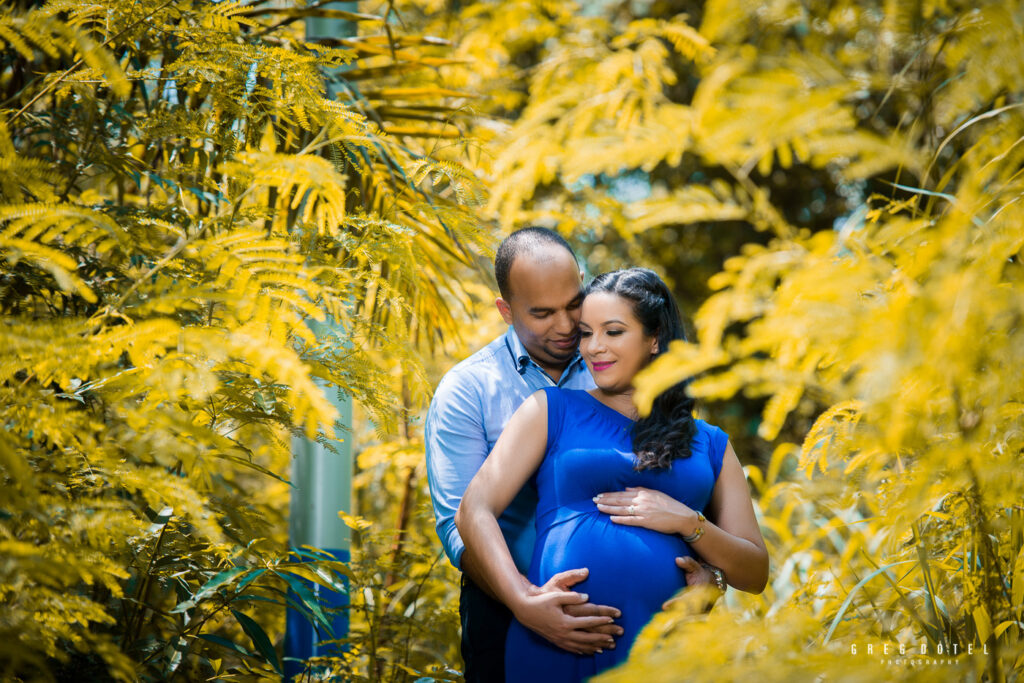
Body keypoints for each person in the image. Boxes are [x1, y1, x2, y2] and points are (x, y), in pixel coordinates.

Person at [425, 232, 716, 683]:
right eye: (542, 313)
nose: (565, 326)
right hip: (505, 606)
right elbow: (458, 522)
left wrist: (711, 574)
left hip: (651, 620)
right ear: (506, 310)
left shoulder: (621, 361)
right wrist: (526, 601)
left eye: (572, 304)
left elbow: (686, 480)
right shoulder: (469, 390)